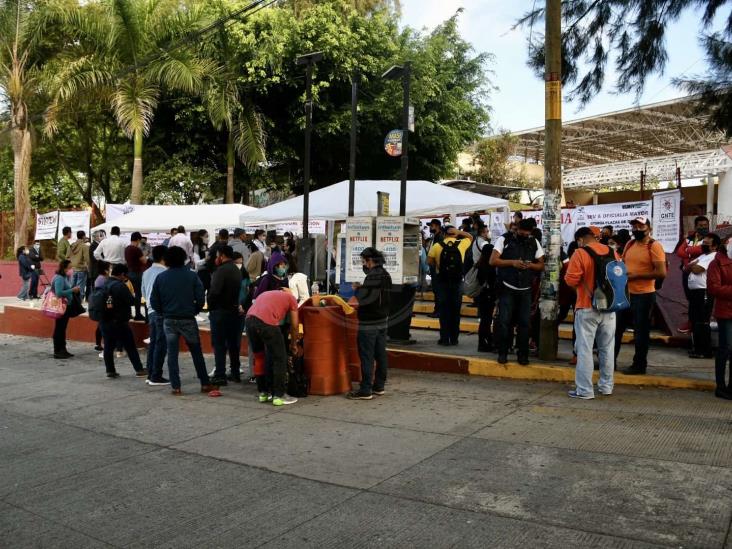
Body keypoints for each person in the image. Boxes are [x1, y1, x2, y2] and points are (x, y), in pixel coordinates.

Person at [150, 246, 217, 396]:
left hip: (169, 319)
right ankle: (205, 383)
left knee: (172, 354)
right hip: (187, 318)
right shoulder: (192, 275)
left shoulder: (161, 277)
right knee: (196, 352)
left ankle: (176, 386)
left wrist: (163, 312)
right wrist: (195, 310)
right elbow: (200, 297)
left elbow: (154, 300)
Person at [564, 227, 618, 399]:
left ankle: (585, 390)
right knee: (607, 349)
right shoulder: (612, 251)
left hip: (587, 306)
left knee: (585, 350)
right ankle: (606, 386)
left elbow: (570, 280)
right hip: (610, 308)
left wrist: (583, 289)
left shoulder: (580, 253)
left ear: (580, 239)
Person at [615, 216, 667, 375]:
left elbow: (661, 272)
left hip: (644, 295)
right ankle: (609, 361)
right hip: (625, 293)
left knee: (641, 332)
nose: (637, 229)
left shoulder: (654, 246)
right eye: (634, 226)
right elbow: (624, 264)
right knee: (615, 329)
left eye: (641, 226)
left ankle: (639, 365)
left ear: (649, 228)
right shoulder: (630, 244)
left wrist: (635, 276)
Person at [490, 218, 546, 365]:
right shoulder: (504, 239)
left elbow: (541, 265)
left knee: (524, 323)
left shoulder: (534, 242)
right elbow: (493, 260)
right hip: (507, 287)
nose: (524, 235)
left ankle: (523, 355)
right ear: (517, 229)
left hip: (525, 289)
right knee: (504, 322)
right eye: (522, 231)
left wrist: (530, 266)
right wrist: (513, 263)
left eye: (527, 233)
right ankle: (503, 353)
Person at [347, 248, 393, 399]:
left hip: (369, 322)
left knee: (367, 356)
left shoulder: (372, 277)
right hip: (382, 320)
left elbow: (363, 300)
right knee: (381, 355)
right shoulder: (386, 275)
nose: (363, 264)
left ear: (370, 260)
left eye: (364, 261)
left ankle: (365, 389)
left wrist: (357, 291)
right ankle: (379, 386)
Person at [246, 288, 300, 406]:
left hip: (249, 321)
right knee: (280, 358)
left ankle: (263, 393)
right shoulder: (291, 298)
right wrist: (293, 344)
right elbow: (295, 325)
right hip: (266, 323)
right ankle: (279, 396)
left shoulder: (266, 293)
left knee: (259, 357)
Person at [98, 264, 148, 379]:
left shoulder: (105, 283)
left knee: (108, 346)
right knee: (130, 346)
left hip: (104, 320)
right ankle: (139, 369)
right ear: (122, 274)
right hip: (119, 321)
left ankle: (110, 370)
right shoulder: (120, 286)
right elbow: (131, 301)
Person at [427, 226, 473, 346]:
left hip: (442, 282)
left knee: (444, 311)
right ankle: (454, 338)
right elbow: (470, 237)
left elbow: (429, 261)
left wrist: (439, 265)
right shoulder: (462, 244)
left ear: (444, 234)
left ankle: (444, 338)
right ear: (455, 234)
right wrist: (459, 232)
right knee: (455, 311)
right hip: (457, 282)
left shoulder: (437, 246)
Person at [207, 245, 243, 386]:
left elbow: (214, 292)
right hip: (233, 311)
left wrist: (210, 306)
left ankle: (220, 374)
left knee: (220, 344)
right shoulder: (236, 270)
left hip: (220, 312)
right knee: (233, 344)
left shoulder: (221, 271)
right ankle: (235, 372)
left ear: (221, 255)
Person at [685, 233, 720, 359]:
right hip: (695, 292)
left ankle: (705, 350)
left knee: (702, 320)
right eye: (703, 243)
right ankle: (697, 347)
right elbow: (686, 267)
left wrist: (691, 266)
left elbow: (696, 269)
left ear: (715, 246)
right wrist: (691, 266)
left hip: (703, 291)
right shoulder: (703, 255)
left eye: (707, 243)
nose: (704, 245)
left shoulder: (713, 256)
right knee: (695, 319)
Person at [707, 236, 732, 400]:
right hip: (726, 312)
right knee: (726, 348)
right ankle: (720, 386)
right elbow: (714, 288)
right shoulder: (716, 263)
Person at [676, 215, 710, 334]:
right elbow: (679, 252)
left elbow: (701, 250)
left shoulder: (710, 238)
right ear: (696, 227)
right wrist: (688, 259)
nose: (703, 228)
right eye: (701, 226)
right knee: (690, 298)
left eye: (705, 226)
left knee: (700, 301)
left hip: (701, 273)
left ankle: (699, 325)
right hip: (687, 272)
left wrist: (689, 251)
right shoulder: (690, 238)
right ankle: (691, 322)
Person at [141, 245, 168, 385]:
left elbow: (144, 293)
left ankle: (151, 372)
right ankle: (156, 375)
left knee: (154, 342)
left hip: (150, 310)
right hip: (161, 311)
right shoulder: (164, 273)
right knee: (160, 343)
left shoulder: (147, 272)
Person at [51, 260, 80, 359]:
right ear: (64, 268)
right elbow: (59, 293)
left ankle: (63, 349)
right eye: (70, 267)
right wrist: (72, 290)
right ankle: (57, 350)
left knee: (62, 329)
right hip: (61, 306)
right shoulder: (59, 278)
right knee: (59, 328)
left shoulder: (65, 277)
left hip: (66, 306)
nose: (71, 270)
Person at [475, 242, 497, 352]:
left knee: (485, 320)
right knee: (486, 321)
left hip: (482, 295)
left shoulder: (480, 264)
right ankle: (484, 343)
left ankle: (484, 342)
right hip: (488, 296)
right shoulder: (490, 266)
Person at [124, 232, 147, 320]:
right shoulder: (136, 249)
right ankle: (138, 314)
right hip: (137, 273)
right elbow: (144, 261)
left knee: (129, 293)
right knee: (138, 294)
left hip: (128, 273)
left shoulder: (127, 248)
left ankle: (129, 313)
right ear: (138, 239)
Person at [426, 219, 445, 317]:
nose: (430, 227)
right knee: (436, 290)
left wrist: (436, 266)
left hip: (437, 269)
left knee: (438, 290)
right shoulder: (435, 236)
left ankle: (438, 311)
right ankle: (437, 310)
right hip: (434, 268)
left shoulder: (439, 237)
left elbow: (439, 254)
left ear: (437, 226)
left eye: (431, 225)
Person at [68, 230, 90, 301]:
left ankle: (70, 300)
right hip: (82, 269)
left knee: (72, 286)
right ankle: (78, 302)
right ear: (83, 236)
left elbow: (67, 256)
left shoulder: (71, 245)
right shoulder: (84, 246)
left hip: (73, 268)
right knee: (80, 287)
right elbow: (87, 259)